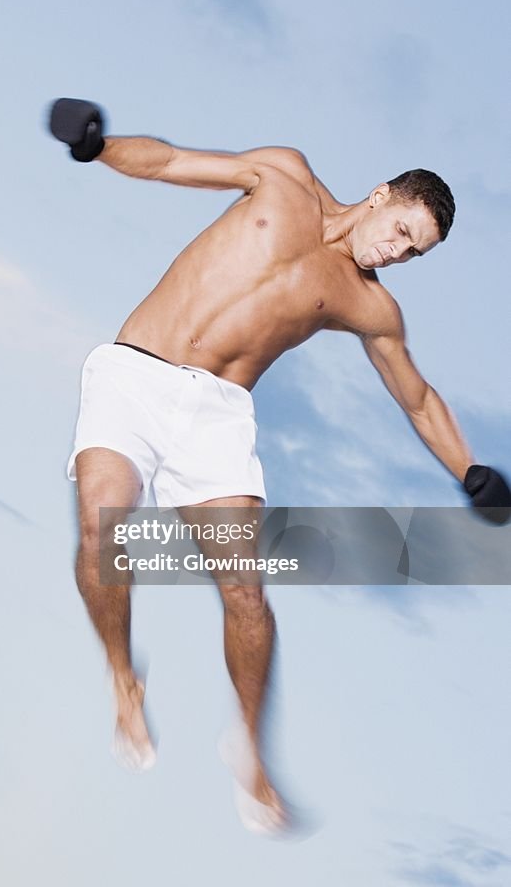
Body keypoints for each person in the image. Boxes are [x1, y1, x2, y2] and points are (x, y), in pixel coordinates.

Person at [49, 97, 510, 835]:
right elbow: (168, 161)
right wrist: (97, 147)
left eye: (412, 253)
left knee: (246, 595)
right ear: (380, 195)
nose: (396, 253)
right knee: (104, 532)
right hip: (136, 373)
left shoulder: (371, 307)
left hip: (217, 415)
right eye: (400, 233)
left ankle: (250, 752)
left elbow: (418, 400)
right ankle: (122, 677)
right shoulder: (283, 177)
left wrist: (470, 471)